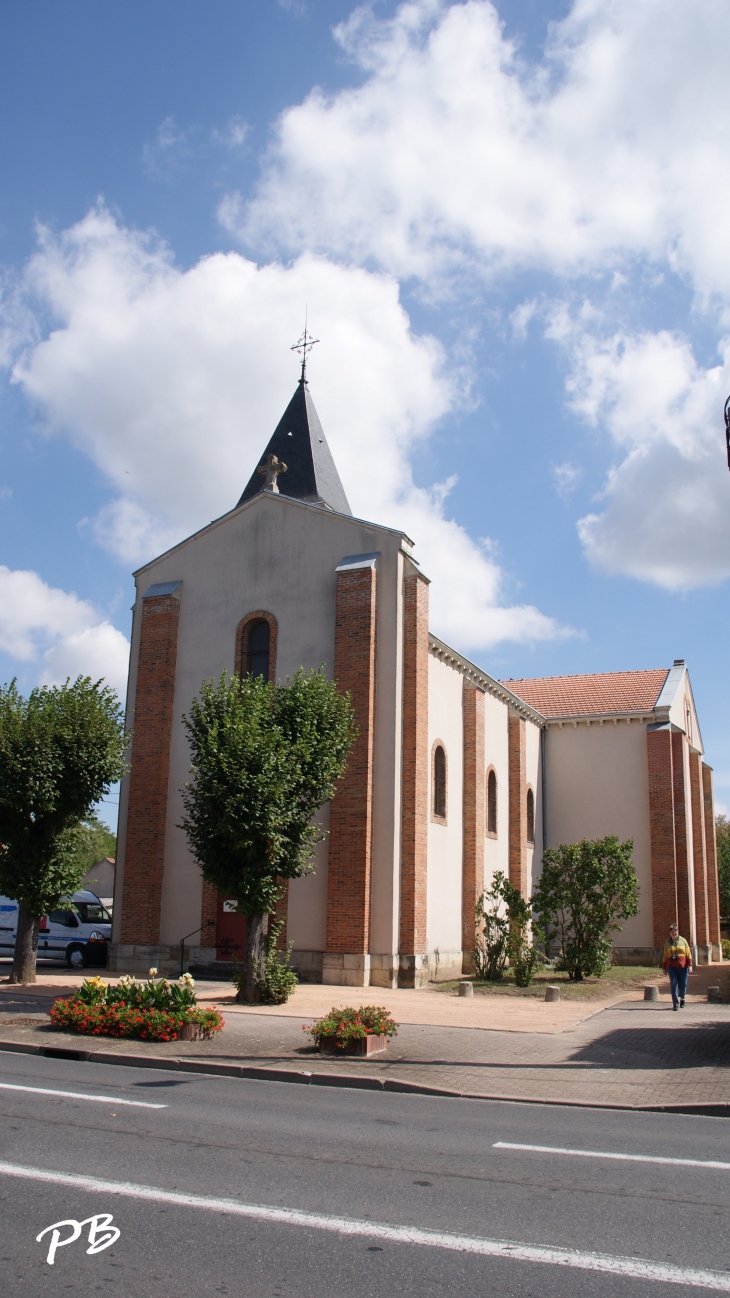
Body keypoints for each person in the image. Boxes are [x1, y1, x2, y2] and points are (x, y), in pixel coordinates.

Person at [662, 923, 693, 1010]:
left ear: (678, 932)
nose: (674, 934)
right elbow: (664, 955)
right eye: (672, 932)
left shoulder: (683, 941)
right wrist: (664, 967)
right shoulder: (667, 943)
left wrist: (690, 965)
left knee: (683, 984)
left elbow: (688, 953)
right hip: (671, 966)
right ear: (670, 933)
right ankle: (675, 1003)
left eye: (675, 932)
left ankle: (682, 998)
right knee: (673, 983)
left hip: (682, 966)